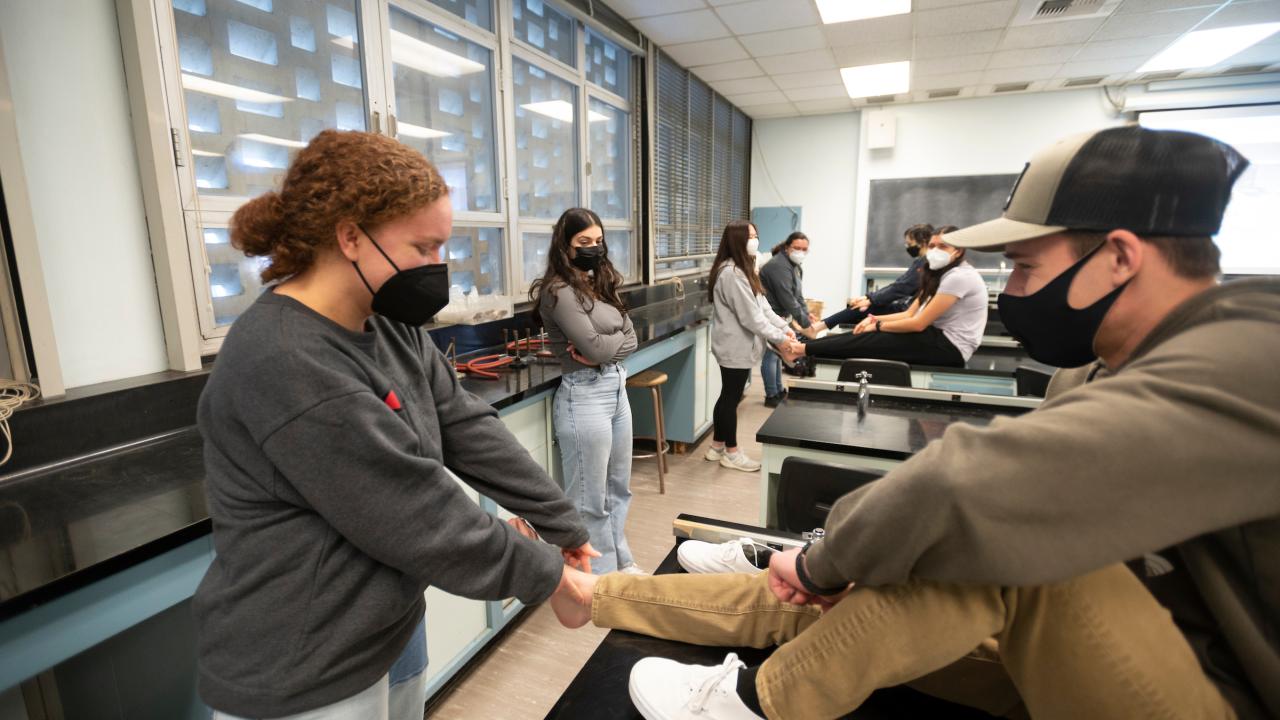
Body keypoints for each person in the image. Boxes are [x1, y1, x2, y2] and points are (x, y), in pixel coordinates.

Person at [549, 125, 1279, 720]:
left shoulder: (1250, 354)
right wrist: (833, 569)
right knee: (849, 605)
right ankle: (604, 597)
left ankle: (766, 700)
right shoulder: (1102, 370)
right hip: (1102, 653)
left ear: (1119, 256)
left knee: (997, 546)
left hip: (1216, 693)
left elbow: (978, 486)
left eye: (1025, 266)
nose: (1012, 290)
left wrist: (826, 562)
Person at [194, 130, 596, 720]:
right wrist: (551, 578)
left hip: (387, 622)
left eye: (441, 247)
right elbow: (418, 514)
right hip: (306, 662)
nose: (437, 267)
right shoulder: (285, 357)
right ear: (351, 237)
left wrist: (563, 523)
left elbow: (464, 425)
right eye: (423, 247)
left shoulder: (386, 324)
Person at [530, 207, 643, 576]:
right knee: (588, 500)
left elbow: (631, 338)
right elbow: (596, 348)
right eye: (584, 241)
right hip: (584, 395)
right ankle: (598, 577)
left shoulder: (598, 283)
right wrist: (606, 347)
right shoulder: (558, 292)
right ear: (565, 245)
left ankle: (620, 562)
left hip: (616, 387)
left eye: (598, 240)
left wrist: (603, 348)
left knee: (618, 489)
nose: (594, 248)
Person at [784, 228, 987, 369]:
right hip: (936, 337)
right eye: (932, 246)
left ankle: (801, 349)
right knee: (863, 333)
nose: (934, 251)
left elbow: (918, 323)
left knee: (873, 338)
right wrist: (874, 320)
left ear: (958, 251)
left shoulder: (959, 277)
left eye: (942, 246)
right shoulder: (938, 275)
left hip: (951, 348)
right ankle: (803, 348)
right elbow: (910, 313)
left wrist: (878, 326)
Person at [705, 221, 806, 472]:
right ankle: (732, 453)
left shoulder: (745, 269)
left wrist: (784, 327)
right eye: (750, 236)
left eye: (756, 235)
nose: (755, 240)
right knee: (731, 398)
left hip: (738, 345)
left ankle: (717, 446)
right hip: (734, 346)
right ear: (737, 240)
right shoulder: (732, 274)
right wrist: (782, 339)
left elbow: (763, 308)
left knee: (728, 395)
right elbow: (752, 318)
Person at [811, 223, 934, 333]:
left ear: (922, 241)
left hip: (907, 310)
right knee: (861, 307)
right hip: (905, 307)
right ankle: (818, 327)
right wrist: (867, 297)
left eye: (909, 243)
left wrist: (870, 300)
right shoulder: (921, 262)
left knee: (863, 308)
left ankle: (817, 328)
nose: (907, 246)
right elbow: (897, 285)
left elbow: (900, 288)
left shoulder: (925, 263)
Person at [758, 231, 811, 407]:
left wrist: (807, 315)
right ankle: (771, 394)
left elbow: (798, 296)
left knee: (778, 355)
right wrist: (806, 324)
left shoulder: (794, 266)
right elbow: (787, 298)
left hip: (780, 317)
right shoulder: (778, 266)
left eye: (804, 249)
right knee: (771, 355)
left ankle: (778, 391)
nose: (800, 252)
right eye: (797, 248)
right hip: (771, 316)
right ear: (787, 247)